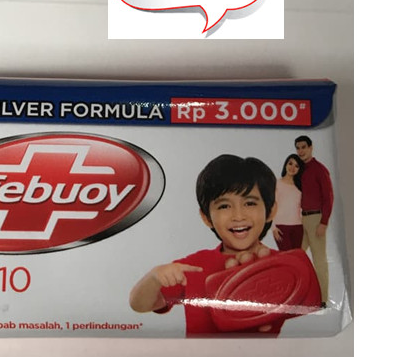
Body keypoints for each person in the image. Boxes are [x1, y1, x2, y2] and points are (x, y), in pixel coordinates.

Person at [129, 154, 318, 337]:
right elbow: (140, 305)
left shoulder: (282, 265)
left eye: (250, 203)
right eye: (224, 206)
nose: (238, 216)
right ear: (206, 217)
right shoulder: (193, 266)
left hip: (261, 356)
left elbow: (314, 307)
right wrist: (154, 277)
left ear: (270, 211)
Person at [294, 135, 334, 304]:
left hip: (316, 219)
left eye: (304, 147)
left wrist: (324, 222)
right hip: (301, 219)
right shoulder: (299, 169)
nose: (301, 151)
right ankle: (299, 296)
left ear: (311, 148)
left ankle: (322, 300)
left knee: (319, 259)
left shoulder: (319, 169)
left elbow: (328, 197)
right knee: (296, 256)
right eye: (298, 148)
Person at [272, 154, 305, 251]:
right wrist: (273, 227)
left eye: (296, 166)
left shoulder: (299, 187)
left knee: (296, 256)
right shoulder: (276, 184)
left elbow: (301, 208)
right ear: (285, 165)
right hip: (281, 227)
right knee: (286, 256)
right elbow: (270, 206)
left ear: (299, 169)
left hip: (298, 227)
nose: (292, 168)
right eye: (290, 163)